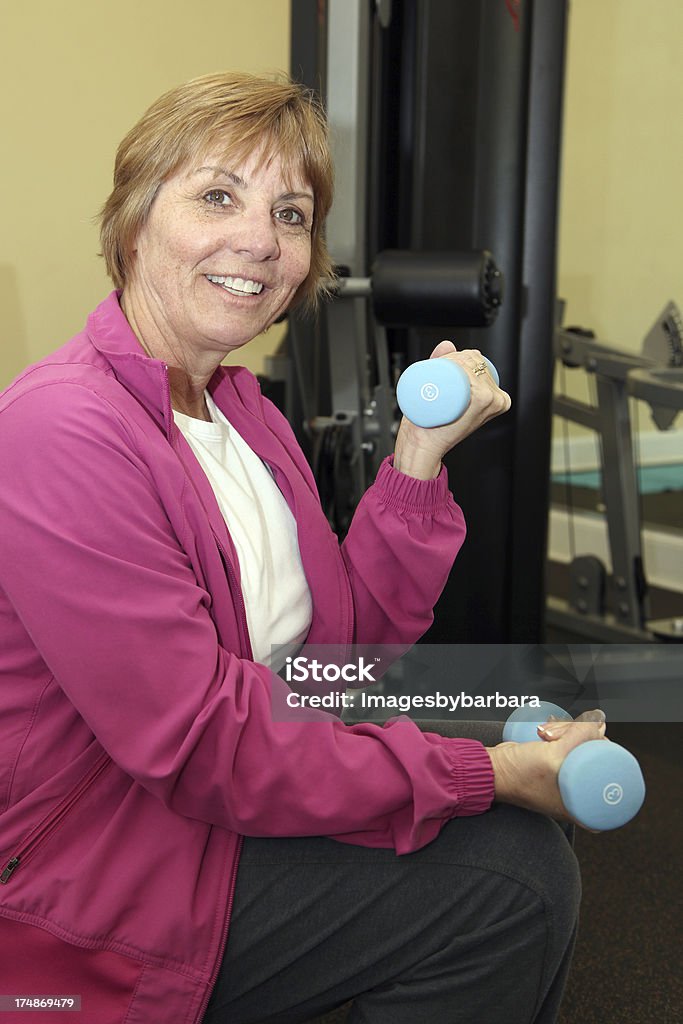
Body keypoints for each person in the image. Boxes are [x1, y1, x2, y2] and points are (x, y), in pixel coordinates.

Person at [0, 72, 606, 1024]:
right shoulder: (60, 428)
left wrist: (414, 462)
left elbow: (342, 655)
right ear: (131, 223)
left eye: (290, 214)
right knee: (510, 884)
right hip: (100, 873)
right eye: (216, 197)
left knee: (517, 853)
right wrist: (478, 770)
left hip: (211, 815)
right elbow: (202, 737)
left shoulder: (242, 412)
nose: (259, 240)